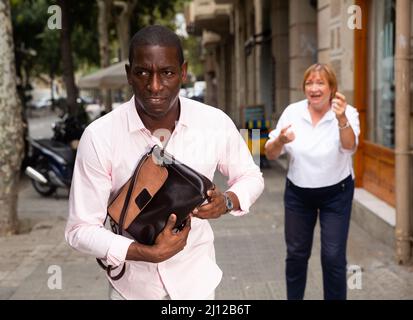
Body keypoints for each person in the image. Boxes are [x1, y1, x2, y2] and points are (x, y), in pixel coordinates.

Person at [65, 25, 264, 300]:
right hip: (132, 290)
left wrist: (227, 201)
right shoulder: (99, 136)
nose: (154, 85)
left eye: (167, 73)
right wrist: (146, 253)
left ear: (183, 72)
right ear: (129, 74)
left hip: (197, 283)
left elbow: (251, 176)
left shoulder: (214, 122)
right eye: (143, 72)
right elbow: (80, 229)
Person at [265, 63, 360, 300]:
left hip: (337, 193)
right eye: (309, 82)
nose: (314, 88)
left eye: (320, 83)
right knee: (296, 254)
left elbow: (350, 147)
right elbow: (270, 154)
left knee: (333, 256)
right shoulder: (292, 112)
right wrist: (280, 140)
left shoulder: (347, 112)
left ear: (332, 88)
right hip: (299, 194)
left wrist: (341, 119)